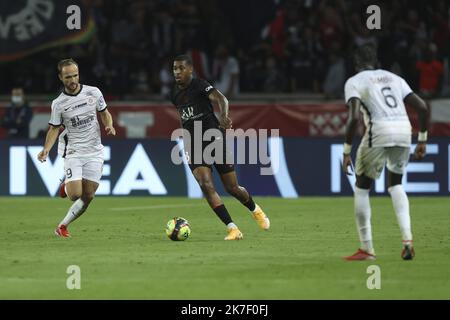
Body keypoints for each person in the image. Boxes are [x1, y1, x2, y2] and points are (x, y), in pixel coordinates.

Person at [342, 44, 429, 261]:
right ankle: (407, 240)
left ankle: (367, 248)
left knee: (362, 188)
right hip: (404, 130)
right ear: (376, 62)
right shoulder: (394, 78)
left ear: (356, 63)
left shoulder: (354, 82)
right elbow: (423, 107)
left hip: (379, 131)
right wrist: (423, 140)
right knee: (396, 184)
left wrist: (346, 152)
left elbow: (353, 118)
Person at [170, 55, 269, 240]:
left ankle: (255, 209)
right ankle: (233, 229)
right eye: (174, 68)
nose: (177, 72)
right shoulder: (173, 93)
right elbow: (183, 116)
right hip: (193, 142)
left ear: (190, 69)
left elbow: (222, 99)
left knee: (232, 188)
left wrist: (223, 116)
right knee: (206, 185)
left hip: (213, 137)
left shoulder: (199, 85)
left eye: (181, 68)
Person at [37, 58, 116, 237]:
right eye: (68, 77)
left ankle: (62, 226)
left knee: (88, 196)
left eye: (75, 75)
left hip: (95, 151)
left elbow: (105, 113)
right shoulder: (58, 104)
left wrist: (109, 125)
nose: (72, 80)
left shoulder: (93, 92)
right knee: (74, 195)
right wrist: (46, 149)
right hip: (74, 150)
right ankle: (66, 186)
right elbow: (54, 128)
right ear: (60, 77)